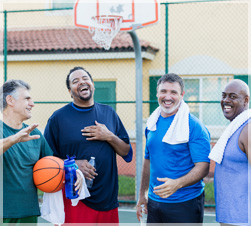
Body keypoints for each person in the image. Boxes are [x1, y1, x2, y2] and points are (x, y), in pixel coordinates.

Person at [44, 66, 133, 224]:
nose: (81, 82)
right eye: (75, 81)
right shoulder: (58, 119)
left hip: (108, 197)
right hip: (75, 198)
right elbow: (46, 159)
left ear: (92, 84)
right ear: (70, 91)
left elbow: (126, 151)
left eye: (85, 78)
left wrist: (109, 136)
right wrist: (72, 164)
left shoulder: (109, 113)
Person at [136, 73, 211, 223]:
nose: (167, 97)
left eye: (173, 92)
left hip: (185, 203)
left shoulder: (194, 126)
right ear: (157, 93)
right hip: (154, 201)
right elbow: (148, 160)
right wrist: (142, 195)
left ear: (182, 95)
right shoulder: (152, 123)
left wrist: (177, 184)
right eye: (163, 91)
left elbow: (203, 167)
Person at [0, 80, 52, 224]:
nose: (32, 104)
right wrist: (14, 139)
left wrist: (75, 170)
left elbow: (53, 165)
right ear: (10, 100)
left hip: (28, 212)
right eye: (27, 99)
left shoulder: (34, 134)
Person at [209, 79, 251, 226]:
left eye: (232, 96)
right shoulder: (234, 128)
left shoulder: (248, 129)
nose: (226, 100)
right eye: (224, 95)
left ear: (246, 100)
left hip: (243, 219)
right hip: (230, 217)